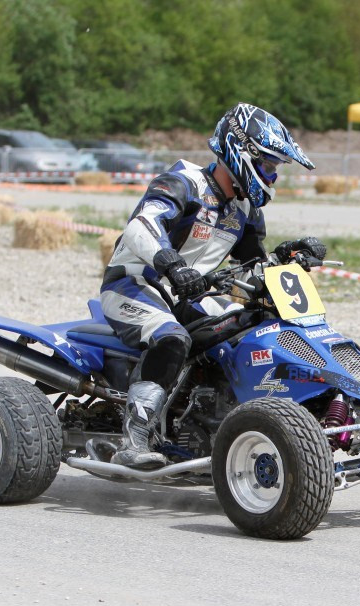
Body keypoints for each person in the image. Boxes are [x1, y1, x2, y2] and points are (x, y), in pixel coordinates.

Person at [100, 103, 327, 468]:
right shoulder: (182, 182)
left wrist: (288, 258)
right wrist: (172, 266)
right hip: (132, 285)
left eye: (275, 169)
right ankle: (133, 441)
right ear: (241, 153)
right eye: (269, 166)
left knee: (249, 325)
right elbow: (141, 225)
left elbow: (254, 265)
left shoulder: (244, 211)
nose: (272, 176)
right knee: (171, 338)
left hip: (187, 295)